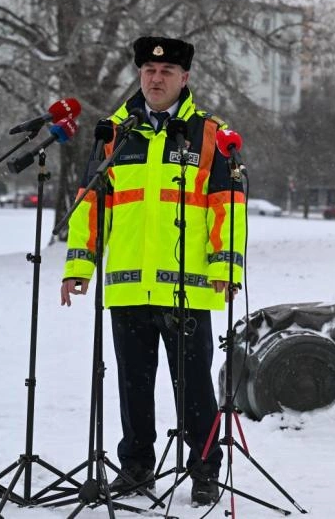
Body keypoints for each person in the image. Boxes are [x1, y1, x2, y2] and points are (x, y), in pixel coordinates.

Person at [60, 35, 246, 506]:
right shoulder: (115, 132)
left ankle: (204, 469)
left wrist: (226, 264)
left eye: (165, 72)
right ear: (139, 75)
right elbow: (90, 203)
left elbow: (228, 205)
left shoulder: (209, 133)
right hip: (126, 285)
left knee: (195, 389)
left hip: (188, 286)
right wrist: (78, 266)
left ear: (184, 78)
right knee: (132, 386)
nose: (155, 78)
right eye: (148, 71)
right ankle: (137, 469)